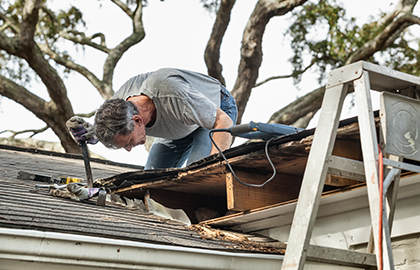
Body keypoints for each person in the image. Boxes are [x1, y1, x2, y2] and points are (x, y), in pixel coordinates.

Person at [66, 68, 237, 170]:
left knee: (198, 173)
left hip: (215, 110)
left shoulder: (171, 93)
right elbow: (107, 132)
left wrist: (214, 171)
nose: (129, 149)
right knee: (150, 181)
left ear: (138, 121)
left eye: (128, 143)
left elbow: (223, 121)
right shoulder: (117, 108)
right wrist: (90, 133)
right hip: (179, 123)